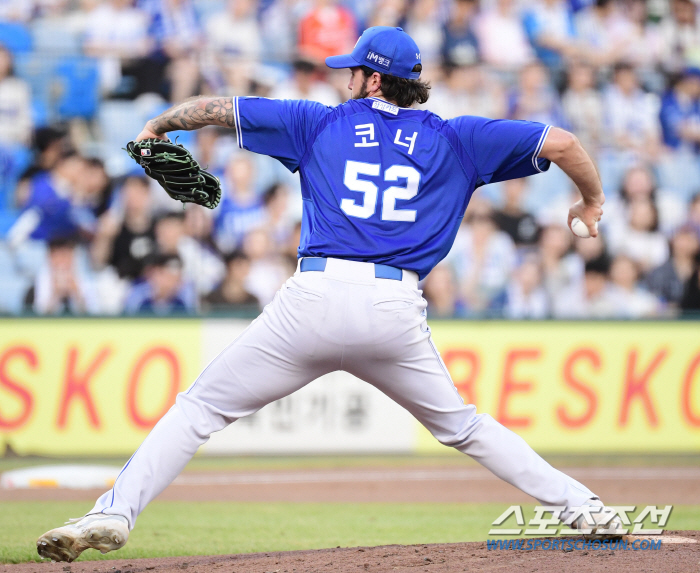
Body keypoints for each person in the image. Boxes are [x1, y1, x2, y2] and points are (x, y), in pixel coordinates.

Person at [36, 26, 621, 562]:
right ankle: (587, 510)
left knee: (199, 408)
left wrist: (158, 126)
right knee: (465, 427)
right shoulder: (457, 137)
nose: (345, 80)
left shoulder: (317, 122)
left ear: (370, 78)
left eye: (352, 72)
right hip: (394, 308)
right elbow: (563, 143)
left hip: (314, 298)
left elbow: (217, 109)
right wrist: (591, 202)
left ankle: (112, 514)